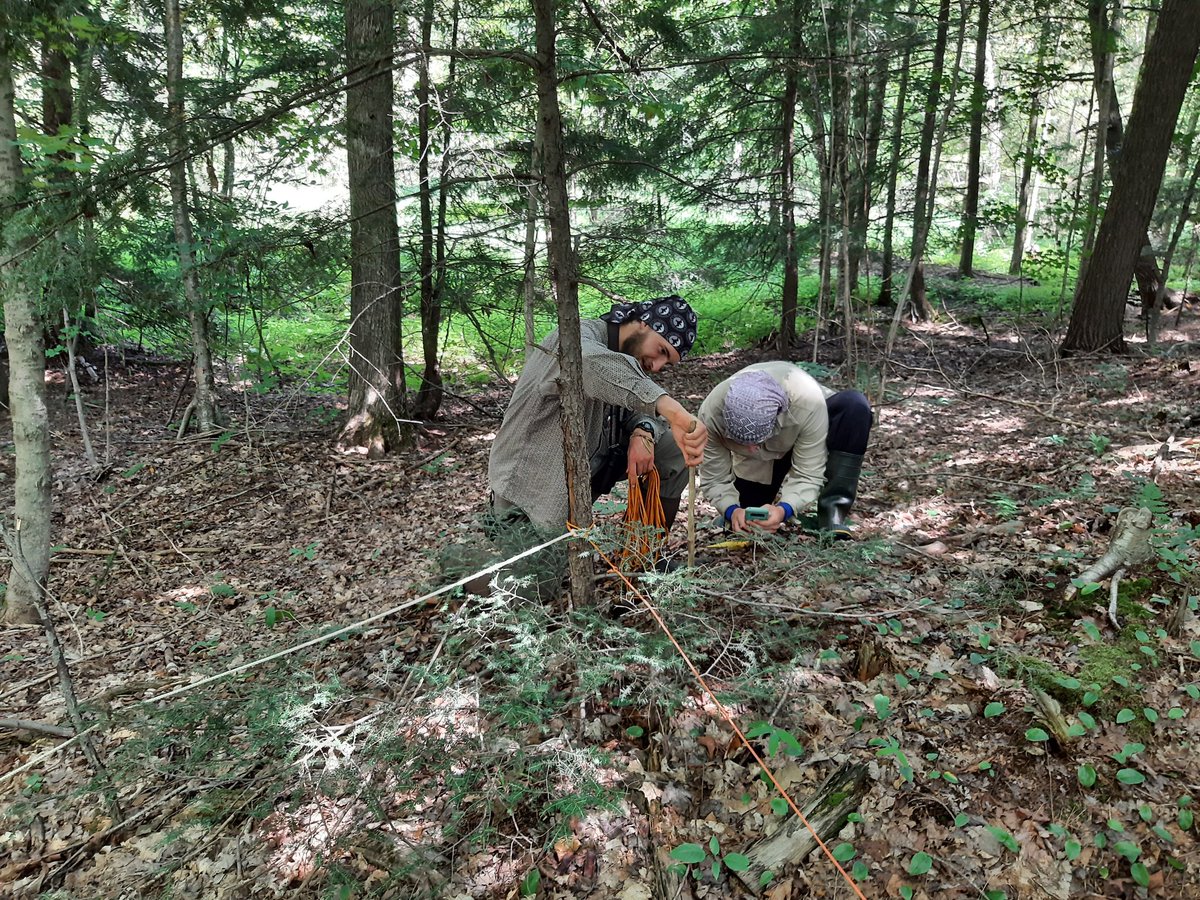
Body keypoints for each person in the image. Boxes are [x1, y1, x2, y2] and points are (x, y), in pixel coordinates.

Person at [484, 296, 709, 595]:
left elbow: (630, 399)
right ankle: (457, 569)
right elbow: (592, 368)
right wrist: (673, 410)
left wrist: (643, 431)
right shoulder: (575, 339)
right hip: (530, 486)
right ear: (643, 323)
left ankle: (647, 557)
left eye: (667, 363)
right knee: (535, 587)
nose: (657, 366)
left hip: (588, 470)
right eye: (661, 352)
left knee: (672, 452)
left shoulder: (625, 355)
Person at [696, 362, 871, 538]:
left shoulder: (808, 402)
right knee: (750, 516)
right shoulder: (710, 415)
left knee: (854, 407)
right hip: (762, 461)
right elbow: (714, 478)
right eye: (740, 442)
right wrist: (731, 511)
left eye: (756, 441)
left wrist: (783, 510)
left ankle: (832, 516)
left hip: (807, 429)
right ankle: (730, 518)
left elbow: (808, 474)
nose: (751, 449)